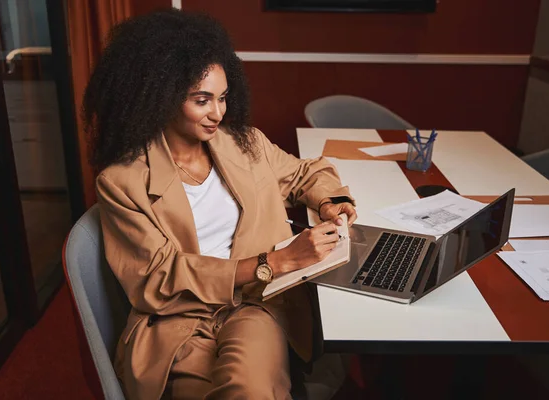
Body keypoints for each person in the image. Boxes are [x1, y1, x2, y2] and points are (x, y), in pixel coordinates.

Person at [84, 8, 357, 400]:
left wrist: (332, 202)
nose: (218, 113)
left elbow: (303, 174)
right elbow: (159, 277)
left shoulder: (243, 143)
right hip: (178, 321)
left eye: (223, 98)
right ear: (162, 97)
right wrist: (272, 263)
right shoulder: (121, 181)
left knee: (246, 388)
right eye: (202, 100)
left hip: (254, 304)